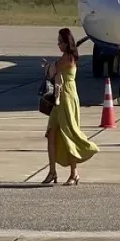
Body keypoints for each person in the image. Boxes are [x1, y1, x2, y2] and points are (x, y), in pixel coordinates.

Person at [41, 28, 99, 185]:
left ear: (67, 43)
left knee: (69, 134)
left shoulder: (69, 58)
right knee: (51, 133)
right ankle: (52, 172)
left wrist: (47, 67)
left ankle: (74, 173)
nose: (58, 44)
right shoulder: (65, 56)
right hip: (59, 99)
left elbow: (54, 70)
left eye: (60, 41)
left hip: (67, 98)